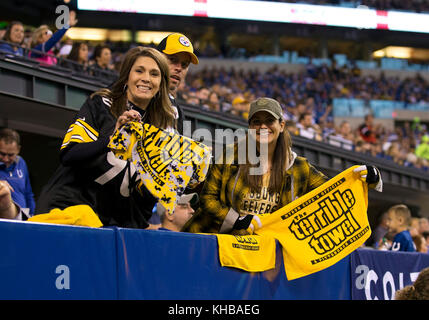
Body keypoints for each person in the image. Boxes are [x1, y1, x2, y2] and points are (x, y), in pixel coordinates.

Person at [182, 97, 382, 234]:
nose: (262, 126)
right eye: (256, 121)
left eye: (269, 120)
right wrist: (235, 219)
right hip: (223, 244)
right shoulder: (230, 156)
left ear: (282, 125)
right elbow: (208, 197)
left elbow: (332, 193)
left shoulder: (299, 168)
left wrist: (363, 177)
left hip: (269, 251)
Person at [35, 46, 176, 229]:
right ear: (126, 76)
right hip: (68, 211)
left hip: (108, 226)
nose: (146, 78)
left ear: (161, 85)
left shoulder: (160, 132)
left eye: (154, 74)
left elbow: (145, 200)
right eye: (139, 70)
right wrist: (112, 138)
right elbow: (69, 155)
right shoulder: (101, 104)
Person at [157, 33, 199, 135]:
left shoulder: (176, 109)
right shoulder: (137, 95)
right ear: (156, 58)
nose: (179, 68)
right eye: (172, 60)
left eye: (184, 65)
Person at [0, 128, 35, 216]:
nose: (6, 159)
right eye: (2, 154)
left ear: (18, 150)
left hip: (22, 218)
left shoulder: (21, 162)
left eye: (10, 155)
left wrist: (32, 216)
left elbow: (28, 193)